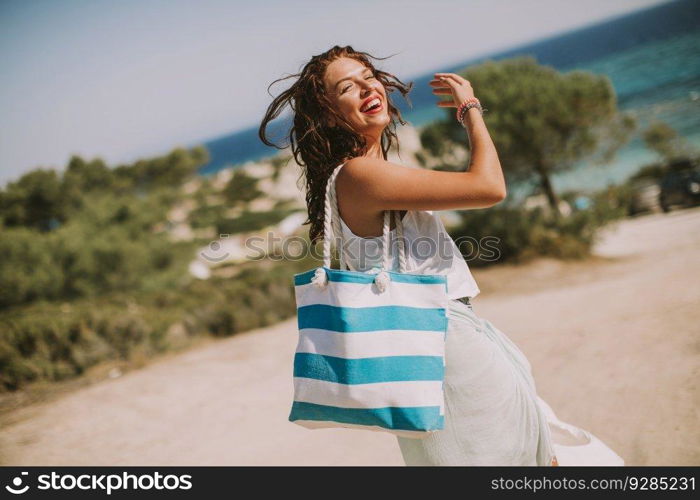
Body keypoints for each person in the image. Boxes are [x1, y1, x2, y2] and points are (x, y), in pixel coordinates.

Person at [259, 45, 624, 466]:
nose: (365, 88)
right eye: (346, 87)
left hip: (439, 344)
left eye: (367, 77)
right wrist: (471, 110)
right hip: (442, 346)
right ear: (326, 114)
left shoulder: (363, 173)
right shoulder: (361, 174)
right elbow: (489, 187)